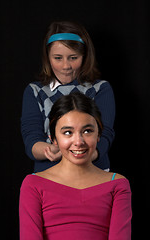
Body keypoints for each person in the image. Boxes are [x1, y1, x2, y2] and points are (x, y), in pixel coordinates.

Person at [19, 92, 132, 240]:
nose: (78, 141)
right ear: (53, 138)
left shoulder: (117, 185)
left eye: (87, 131)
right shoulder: (33, 185)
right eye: (67, 132)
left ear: (98, 135)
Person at [21, 21, 115, 172]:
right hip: (50, 172)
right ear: (47, 57)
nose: (66, 66)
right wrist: (48, 150)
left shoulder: (100, 89)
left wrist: (86, 155)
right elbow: (31, 137)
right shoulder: (35, 91)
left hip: (93, 171)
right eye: (58, 58)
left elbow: (106, 133)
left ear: (84, 56)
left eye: (73, 57)